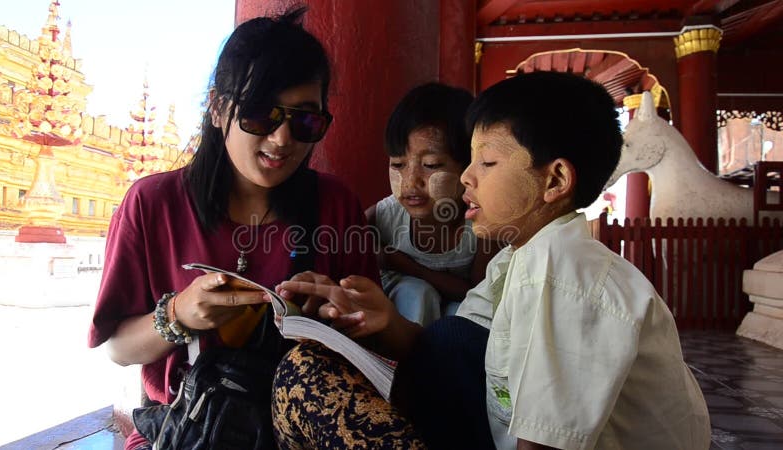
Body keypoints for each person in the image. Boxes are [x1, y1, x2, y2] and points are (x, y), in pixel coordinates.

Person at [274, 71, 711, 449]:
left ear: (555, 179)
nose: (466, 176)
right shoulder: (517, 261)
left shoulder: (564, 272)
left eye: (486, 161)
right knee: (352, 359)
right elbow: (448, 350)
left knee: (305, 380)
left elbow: (544, 441)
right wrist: (380, 319)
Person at [87, 8, 401, 450]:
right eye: (259, 115)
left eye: (305, 120)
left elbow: (372, 347)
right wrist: (178, 315)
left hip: (299, 429)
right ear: (217, 109)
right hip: (189, 427)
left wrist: (344, 316)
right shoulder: (151, 203)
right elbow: (119, 349)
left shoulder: (335, 205)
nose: (282, 140)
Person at [366, 82, 496, 326]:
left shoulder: (482, 223)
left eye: (431, 165)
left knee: (465, 315)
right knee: (415, 294)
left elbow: (476, 294)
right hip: (400, 320)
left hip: (454, 315)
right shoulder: (386, 215)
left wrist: (403, 263)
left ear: (468, 167)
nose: (410, 181)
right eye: (397, 165)